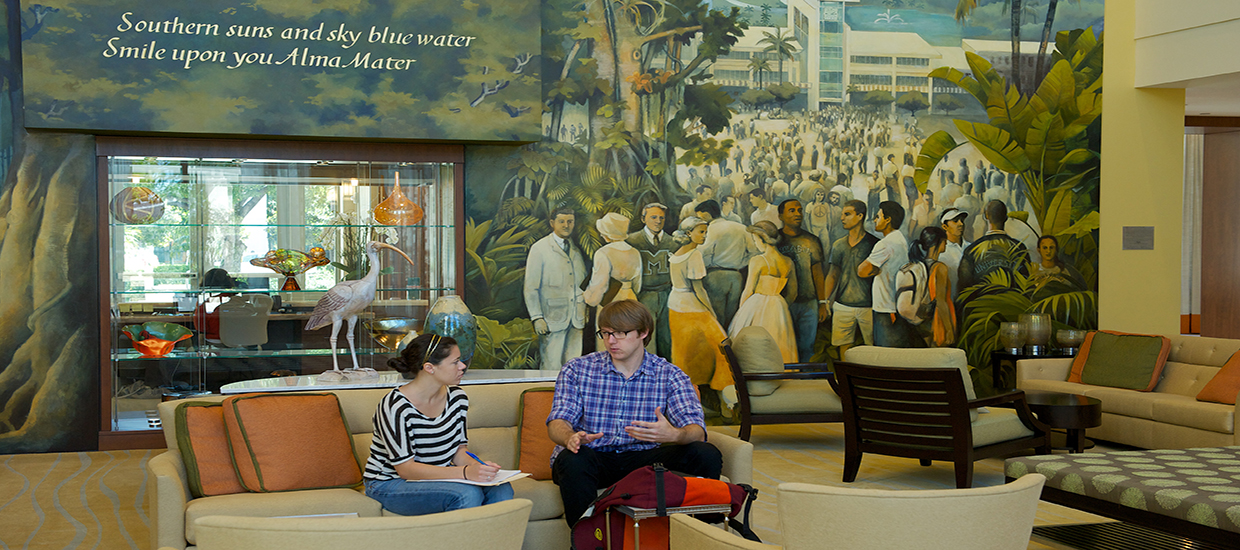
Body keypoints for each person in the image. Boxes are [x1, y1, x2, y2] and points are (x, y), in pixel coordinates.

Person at [548, 300, 723, 526]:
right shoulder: (578, 369)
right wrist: (569, 437)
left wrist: (675, 435)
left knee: (706, 453)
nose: (611, 341)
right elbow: (557, 422)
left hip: (643, 461)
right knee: (573, 459)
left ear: (643, 332)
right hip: (593, 457)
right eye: (605, 333)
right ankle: (587, 541)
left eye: (620, 333)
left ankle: (699, 534)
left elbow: (696, 431)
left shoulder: (669, 374)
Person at [363, 334, 514, 516]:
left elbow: (458, 451)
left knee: (501, 488)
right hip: (389, 483)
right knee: (465, 494)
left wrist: (480, 470)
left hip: (438, 476)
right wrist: (466, 473)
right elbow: (406, 469)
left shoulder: (457, 398)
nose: (462, 366)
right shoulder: (395, 406)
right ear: (429, 368)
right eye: (455, 362)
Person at [668, 217, 733, 391]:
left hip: (675, 305)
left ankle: (692, 390)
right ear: (689, 233)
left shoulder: (677, 254)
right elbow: (699, 289)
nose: (704, 236)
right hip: (692, 306)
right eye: (701, 232)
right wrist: (711, 312)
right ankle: (724, 391)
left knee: (686, 351)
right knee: (721, 345)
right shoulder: (694, 254)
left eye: (706, 232)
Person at [524, 208, 587, 370]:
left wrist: (584, 310)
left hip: (576, 319)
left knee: (574, 367)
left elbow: (581, 285)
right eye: (562, 221)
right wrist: (537, 317)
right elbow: (531, 287)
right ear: (552, 223)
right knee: (551, 367)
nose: (566, 225)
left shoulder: (575, 250)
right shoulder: (540, 249)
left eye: (570, 221)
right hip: (552, 318)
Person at [728, 221, 798, 364]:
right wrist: (781, 305)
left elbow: (748, 290)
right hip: (779, 306)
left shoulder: (758, 260)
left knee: (752, 344)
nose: (755, 244)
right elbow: (793, 293)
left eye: (755, 240)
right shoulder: (788, 262)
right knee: (778, 341)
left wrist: (742, 312)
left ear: (762, 239)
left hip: (757, 305)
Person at [823, 200, 879, 354]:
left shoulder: (874, 244)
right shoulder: (838, 245)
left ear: (860, 216)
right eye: (842, 214)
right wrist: (826, 300)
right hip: (843, 305)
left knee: (872, 348)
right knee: (844, 348)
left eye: (847, 214)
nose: (842, 218)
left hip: (869, 305)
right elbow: (832, 274)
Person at [858, 201, 917, 347]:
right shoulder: (900, 239)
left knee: (885, 351)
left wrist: (875, 269)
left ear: (888, 219)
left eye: (878, 216)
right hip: (896, 306)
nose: (875, 220)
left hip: (886, 308)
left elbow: (862, 270)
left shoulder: (885, 244)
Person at [775, 199, 827, 362]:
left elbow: (818, 273)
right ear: (781, 216)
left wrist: (822, 302)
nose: (797, 214)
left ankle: (805, 381)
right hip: (783, 303)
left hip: (808, 303)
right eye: (792, 211)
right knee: (785, 347)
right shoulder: (775, 240)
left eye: (799, 210)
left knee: (807, 347)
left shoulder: (812, 240)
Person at [695, 199, 757, 329]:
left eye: (700, 216)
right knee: (733, 317)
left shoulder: (710, 229)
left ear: (707, 214)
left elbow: (701, 253)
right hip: (737, 277)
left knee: (716, 318)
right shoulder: (741, 228)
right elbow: (754, 252)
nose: (699, 219)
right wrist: (741, 263)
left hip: (715, 277)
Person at [584, 212, 643, 349]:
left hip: (610, 301)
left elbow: (600, 284)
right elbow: (638, 284)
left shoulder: (603, 253)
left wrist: (589, 299)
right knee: (627, 341)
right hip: (631, 299)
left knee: (610, 342)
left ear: (608, 234)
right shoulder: (635, 252)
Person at [626, 203, 676, 358]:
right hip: (644, 295)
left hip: (667, 294)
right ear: (643, 218)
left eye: (661, 218)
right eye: (653, 217)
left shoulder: (673, 242)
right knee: (646, 339)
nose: (658, 221)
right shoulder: (632, 241)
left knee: (667, 339)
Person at [958, 200, 1029, 292]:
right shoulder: (1019, 248)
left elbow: (964, 287)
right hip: (1013, 304)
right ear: (1006, 218)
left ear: (985, 216)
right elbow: (1026, 283)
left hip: (981, 304)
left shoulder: (972, 250)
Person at [907, 227, 956, 347]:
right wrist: (949, 329)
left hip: (922, 319)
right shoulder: (940, 268)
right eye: (944, 241)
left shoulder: (918, 265)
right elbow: (941, 300)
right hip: (937, 318)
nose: (946, 244)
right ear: (937, 243)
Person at [938, 208, 971, 301]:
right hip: (950, 302)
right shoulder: (941, 253)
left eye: (962, 220)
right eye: (955, 221)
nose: (961, 224)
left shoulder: (971, 248)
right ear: (945, 227)